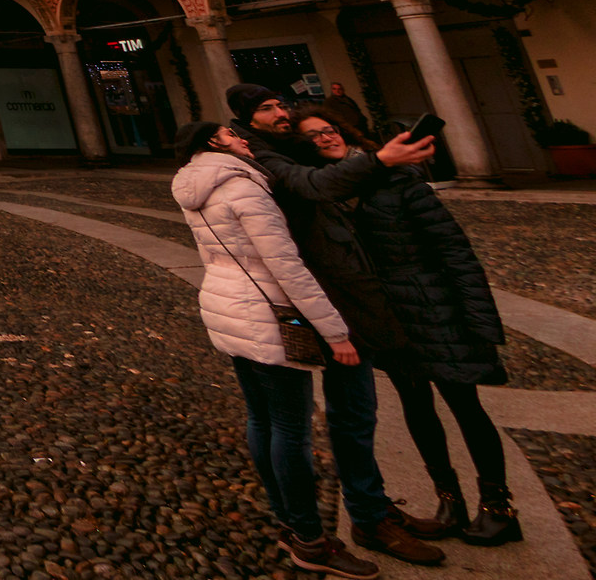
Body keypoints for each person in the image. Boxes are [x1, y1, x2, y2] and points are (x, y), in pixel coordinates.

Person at [226, 84, 446, 566]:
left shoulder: (282, 151)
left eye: (282, 104)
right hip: (316, 306)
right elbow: (309, 192)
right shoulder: (262, 160)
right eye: (268, 108)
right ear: (243, 123)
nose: (281, 112)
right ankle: (348, 523)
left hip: (340, 297)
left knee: (343, 416)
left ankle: (367, 511)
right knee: (323, 419)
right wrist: (379, 160)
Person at [296, 108, 520, 547]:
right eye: (313, 137)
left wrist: (479, 318)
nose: (324, 139)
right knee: (417, 407)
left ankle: (499, 507)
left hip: (434, 307)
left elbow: (454, 250)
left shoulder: (398, 180)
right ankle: (449, 500)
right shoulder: (328, 194)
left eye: (329, 129)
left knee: (465, 406)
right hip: (387, 317)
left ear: (345, 131)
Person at [172, 120, 378, 577]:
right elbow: (285, 265)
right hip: (266, 312)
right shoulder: (244, 188)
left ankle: (288, 521)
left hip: (225, 304)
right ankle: (309, 540)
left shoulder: (192, 183)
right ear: (214, 143)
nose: (244, 139)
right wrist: (335, 332)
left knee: (261, 419)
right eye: (232, 135)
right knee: (290, 428)